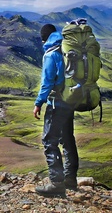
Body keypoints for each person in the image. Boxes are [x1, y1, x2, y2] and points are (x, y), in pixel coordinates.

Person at [33, 24, 79, 198]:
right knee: (68, 139)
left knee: (49, 141)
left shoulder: (52, 53)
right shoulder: (67, 48)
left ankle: (57, 184)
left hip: (56, 103)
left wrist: (38, 103)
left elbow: (47, 82)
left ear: (44, 37)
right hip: (70, 101)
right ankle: (70, 179)